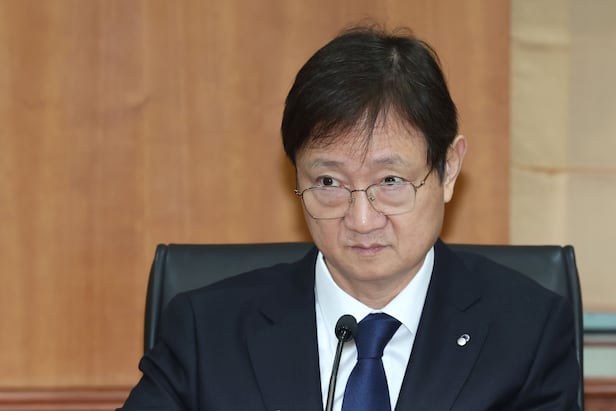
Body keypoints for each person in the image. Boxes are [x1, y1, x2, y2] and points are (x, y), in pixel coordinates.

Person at [119, 24, 580, 411]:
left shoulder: (527, 333)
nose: (361, 220)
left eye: (390, 181)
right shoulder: (206, 331)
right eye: (328, 183)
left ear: (449, 169)